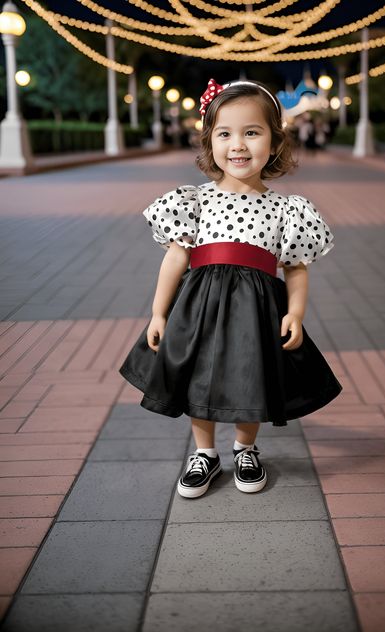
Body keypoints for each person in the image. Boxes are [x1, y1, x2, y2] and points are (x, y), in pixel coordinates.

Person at [119, 78, 343, 499]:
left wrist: (295, 312)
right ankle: (204, 452)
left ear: (275, 143)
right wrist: (158, 312)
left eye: (251, 132)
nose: (237, 145)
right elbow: (176, 257)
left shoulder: (286, 208)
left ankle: (245, 448)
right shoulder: (195, 200)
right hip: (198, 306)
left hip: (255, 310)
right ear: (210, 142)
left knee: (248, 375)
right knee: (195, 378)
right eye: (225, 133)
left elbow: (295, 267)